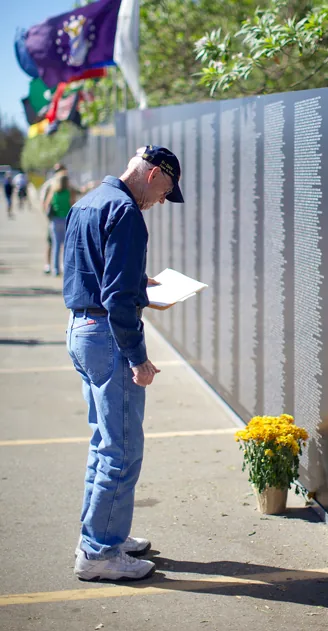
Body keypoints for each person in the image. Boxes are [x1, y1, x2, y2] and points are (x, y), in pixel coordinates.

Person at [64, 146, 184, 582]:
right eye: (165, 191)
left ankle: (100, 533)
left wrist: (138, 281)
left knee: (104, 443)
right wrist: (139, 359)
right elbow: (115, 298)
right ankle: (100, 553)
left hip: (81, 330)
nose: (161, 201)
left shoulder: (88, 202)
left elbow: (88, 274)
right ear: (153, 174)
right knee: (122, 448)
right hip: (109, 338)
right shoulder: (127, 213)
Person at [44, 172, 75, 276]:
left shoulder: (54, 192)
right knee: (67, 246)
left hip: (55, 220)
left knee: (56, 245)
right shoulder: (68, 192)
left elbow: (47, 204)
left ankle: (55, 269)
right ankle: (66, 268)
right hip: (66, 219)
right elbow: (72, 204)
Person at [41, 163, 66, 274]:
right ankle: (48, 264)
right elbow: (43, 201)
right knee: (51, 242)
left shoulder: (65, 183)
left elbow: (45, 202)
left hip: (54, 219)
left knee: (55, 243)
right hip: (56, 218)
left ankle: (55, 267)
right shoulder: (50, 185)